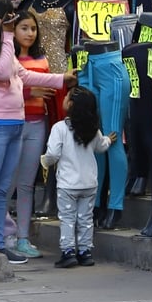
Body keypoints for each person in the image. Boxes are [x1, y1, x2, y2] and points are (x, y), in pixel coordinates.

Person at [0, 0, 75, 264]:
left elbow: (22, 74)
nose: (12, 21)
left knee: (0, 190)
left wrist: (60, 79)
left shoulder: (1, 43)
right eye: (8, 17)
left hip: (15, 122)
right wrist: (9, 37)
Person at [40, 86, 113, 269]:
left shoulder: (60, 128)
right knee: (85, 218)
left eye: (66, 96)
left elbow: (53, 153)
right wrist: (110, 140)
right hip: (89, 182)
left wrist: (45, 161)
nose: (63, 98)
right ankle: (85, 251)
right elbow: (101, 147)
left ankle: (68, 251)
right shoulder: (92, 129)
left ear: (71, 104)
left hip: (67, 184)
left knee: (67, 218)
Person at [9, 9, 54, 259]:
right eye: (24, 28)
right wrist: (29, 93)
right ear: (13, 32)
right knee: (8, 184)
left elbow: (50, 92)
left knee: (26, 184)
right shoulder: (7, 60)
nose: (29, 33)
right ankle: (2, 233)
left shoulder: (43, 61)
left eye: (33, 29)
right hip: (13, 124)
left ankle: (23, 238)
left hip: (38, 124)